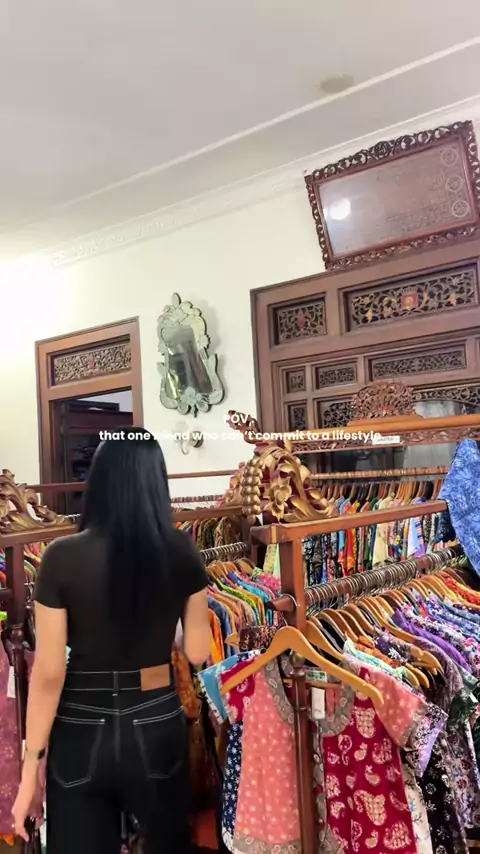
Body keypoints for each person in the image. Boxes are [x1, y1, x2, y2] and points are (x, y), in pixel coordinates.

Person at [12, 429, 210, 853]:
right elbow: (197, 652)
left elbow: (49, 673)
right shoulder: (182, 551)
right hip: (157, 718)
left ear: (98, 481)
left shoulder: (59, 556)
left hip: (81, 725)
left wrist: (30, 771)